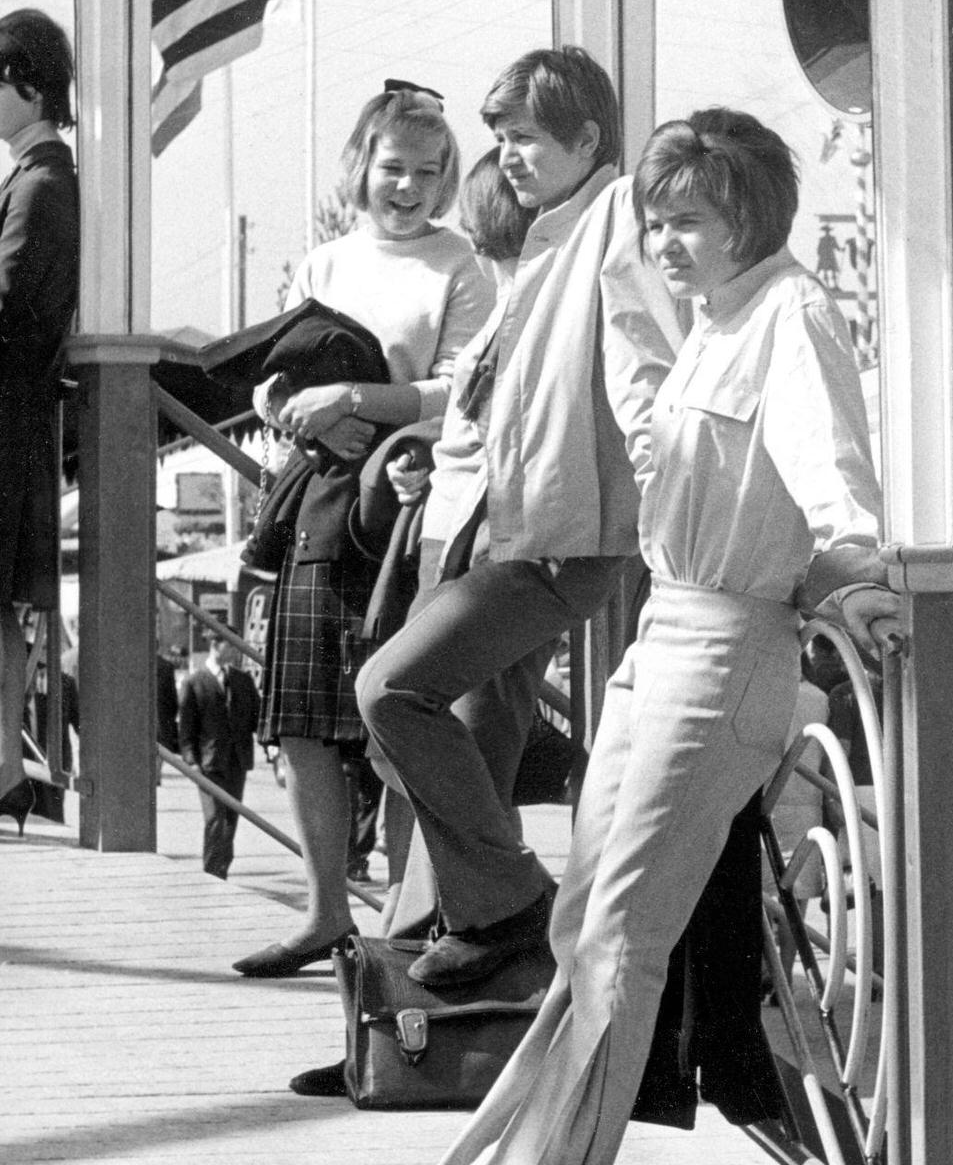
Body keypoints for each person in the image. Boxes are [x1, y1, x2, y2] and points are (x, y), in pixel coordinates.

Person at [371, 105, 901, 1165]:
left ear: (746, 218)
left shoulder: (788, 320)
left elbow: (833, 480)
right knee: (579, 923)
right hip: (662, 636)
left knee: (619, 934)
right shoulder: (717, 319)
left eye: (690, 221)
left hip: (725, 649)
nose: (665, 242)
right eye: (656, 221)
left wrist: (859, 580)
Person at [356, 48, 681, 990]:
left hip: (558, 538)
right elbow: (511, 389)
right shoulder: (550, 235)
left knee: (392, 693)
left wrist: (668, 522)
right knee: (470, 729)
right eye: (499, 139)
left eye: (527, 138)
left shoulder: (613, 221)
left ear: (588, 139)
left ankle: (505, 909)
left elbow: (649, 375)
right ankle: (456, 953)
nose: (507, 157)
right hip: (506, 524)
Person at [233, 84, 491, 977]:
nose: (409, 187)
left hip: (415, 508)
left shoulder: (465, 265)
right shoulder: (323, 264)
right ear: (362, 167)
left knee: (400, 710)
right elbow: (269, 382)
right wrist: (308, 418)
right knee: (303, 718)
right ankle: (323, 911)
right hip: (320, 503)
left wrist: (357, 401)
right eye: (393, 169)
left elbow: (462, 386)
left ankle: (405, 909)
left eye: (428, 172)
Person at [0, 10, 79, 836]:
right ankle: (4, 770)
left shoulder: (40, 183)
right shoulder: (39, 177)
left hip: (9, 420)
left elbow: (11, 304)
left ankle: (2, 768)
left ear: (27, 84)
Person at [178, 636, 261, 879]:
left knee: (231, 818)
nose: (236, 651)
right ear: (215, 645)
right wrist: (190, 761)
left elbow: (255, 716)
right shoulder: (194, 682)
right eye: (231, 645)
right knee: (215, 818)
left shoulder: (242, 680)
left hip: (237, 761)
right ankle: (213, 871)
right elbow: (186, 729)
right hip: (208, 763)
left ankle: (222, 867)